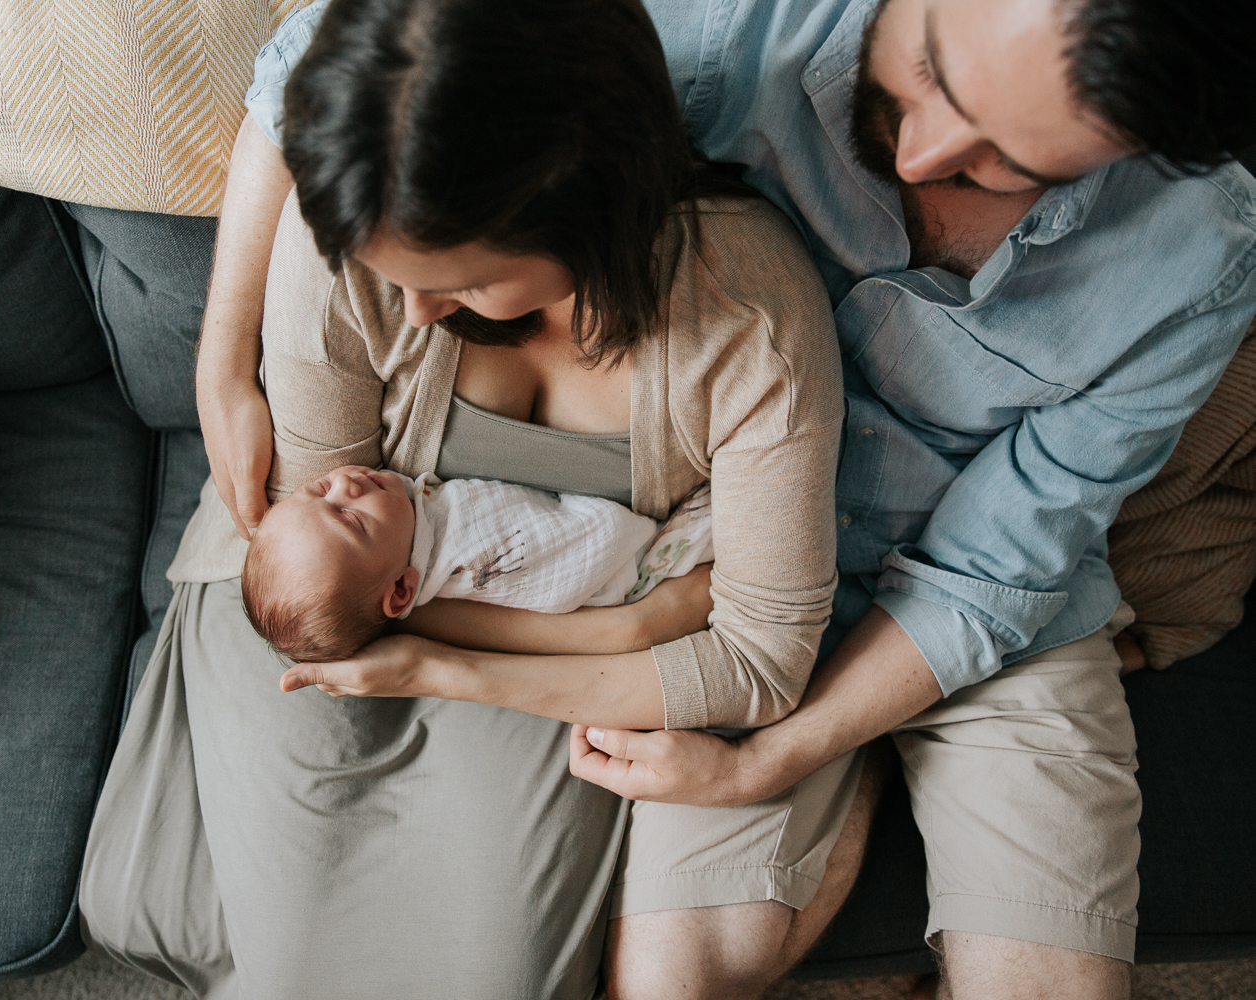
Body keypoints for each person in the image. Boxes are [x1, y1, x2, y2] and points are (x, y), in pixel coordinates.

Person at [189, 0, 1256, 996]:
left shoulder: (1198, 257)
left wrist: (789, 748)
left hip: (970, 612)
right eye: (929, 70)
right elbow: (340, 63)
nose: (924, 155)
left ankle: (863, 771)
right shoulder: (729, 28)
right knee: (672, 973)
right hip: (720, 557)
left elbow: (998, 571)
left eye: (1009, 162)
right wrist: (223, 349)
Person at [79, 1, 846, 998]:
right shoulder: (356, 236)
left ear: (588, 207)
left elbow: (756, 664)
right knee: (185, 908)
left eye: (467, 282)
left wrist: (451, 661)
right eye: (399, 280)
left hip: (554, 627)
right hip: (332, 588)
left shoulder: (750, 321)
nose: (420, 313)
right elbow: (326, 511)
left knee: (483, 972)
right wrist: (630, 624)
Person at [229, 463, 714, 663]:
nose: (346, 486)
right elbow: (575, 545)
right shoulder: (461, 548)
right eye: (352, 521)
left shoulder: (406, 516)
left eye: (318, 489)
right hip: (633, 569)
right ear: (401, 591)